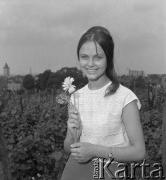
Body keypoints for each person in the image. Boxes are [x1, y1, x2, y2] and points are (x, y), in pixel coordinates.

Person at [61, 26, 146, 180]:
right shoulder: (76, 98)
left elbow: (139, 152)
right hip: (74, 173)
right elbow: (68, 148)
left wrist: (94, 150)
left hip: (108, 173)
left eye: (98, 57)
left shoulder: (125, 98)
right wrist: (72, 134)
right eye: (85, 57)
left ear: (108, 58)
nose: (90, 63)